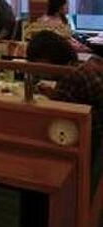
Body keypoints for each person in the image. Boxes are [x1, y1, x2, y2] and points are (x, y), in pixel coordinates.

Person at [27, 30, 102, 158]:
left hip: (93, 138)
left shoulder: (71, 76)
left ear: (48, 58)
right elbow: (75, 99)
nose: (37, 69)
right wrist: (53, 93)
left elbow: (59, 112)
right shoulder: (83, 63)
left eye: (36, 61)